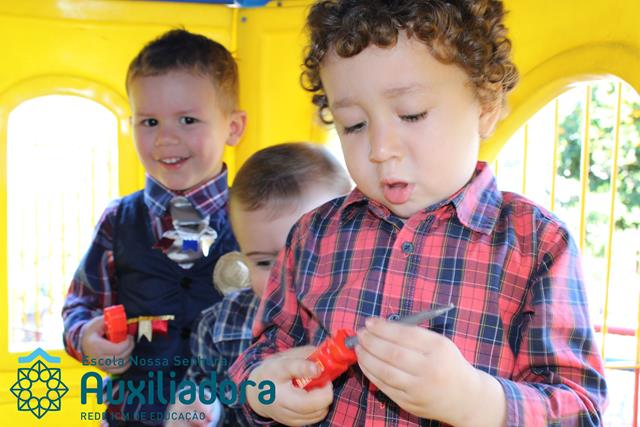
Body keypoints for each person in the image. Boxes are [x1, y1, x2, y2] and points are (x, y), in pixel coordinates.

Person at [229, 1, 608, 426]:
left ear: (485, 107)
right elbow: (261, 355)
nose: (380, 149)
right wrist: (264, 389)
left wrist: (475, 401)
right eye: (353, 124)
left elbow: (580, 410)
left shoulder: (539, 245)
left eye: (412, 114)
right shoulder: (313, 235)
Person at [62, 28, 246, 426]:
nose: (165, 138)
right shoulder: (118, 220)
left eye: (187, 120)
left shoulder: (256, 217)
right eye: (149, 121)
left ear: (233, 127)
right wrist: (86, 337)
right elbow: (81, 305)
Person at [166, 142, 352, 427]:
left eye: (307, 255)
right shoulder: (219, 325)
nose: (285, 278)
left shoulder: (364, 318)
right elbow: (204, 398)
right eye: (264, 262)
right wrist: (194, 412)